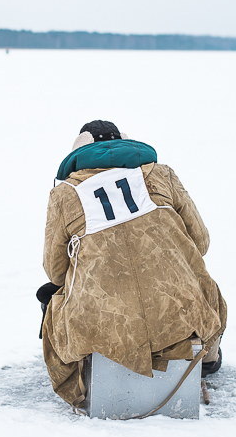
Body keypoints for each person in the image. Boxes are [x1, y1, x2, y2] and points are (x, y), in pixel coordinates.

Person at [39, 120, 226, 407]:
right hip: (176, 315)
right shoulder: (161, 175)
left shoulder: (65, 194)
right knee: (204, 286)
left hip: (105, 326)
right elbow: (200, 243)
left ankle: (89, 369)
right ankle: (207, 356)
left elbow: (56, 272)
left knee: (50, 297)